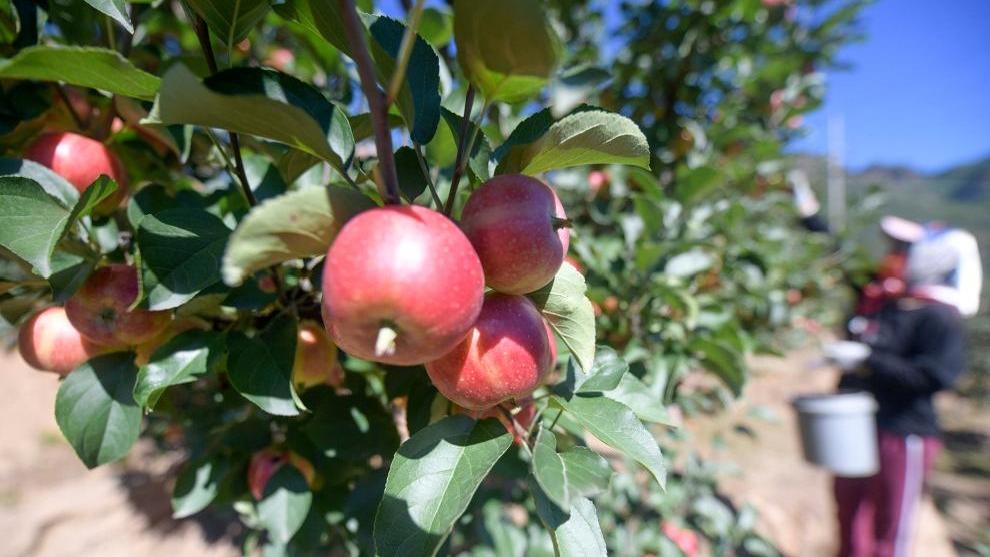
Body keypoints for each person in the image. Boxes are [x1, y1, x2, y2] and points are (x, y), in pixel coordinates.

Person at [790, 172, 983, 557]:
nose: (895, 254)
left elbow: (935, 376)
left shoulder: (937, 317)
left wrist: (868, 359)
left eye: (906, 248)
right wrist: (807, 211)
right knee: (849, 511)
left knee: (889, 528)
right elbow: (837, 254)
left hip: (903, 430)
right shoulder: (885, 299)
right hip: (859, 423)